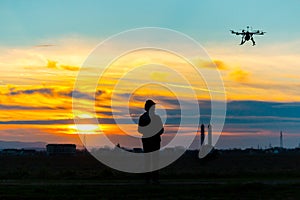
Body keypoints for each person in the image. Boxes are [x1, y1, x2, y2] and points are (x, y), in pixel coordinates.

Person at [138, 99, 164, 184]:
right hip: (151, 141)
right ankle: (152, 179)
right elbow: (140, 129)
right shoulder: (155, 118)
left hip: (151, 141)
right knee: (151, 161)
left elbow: (161, 130)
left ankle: (150, 179)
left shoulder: (146, 118)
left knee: (150, 161)